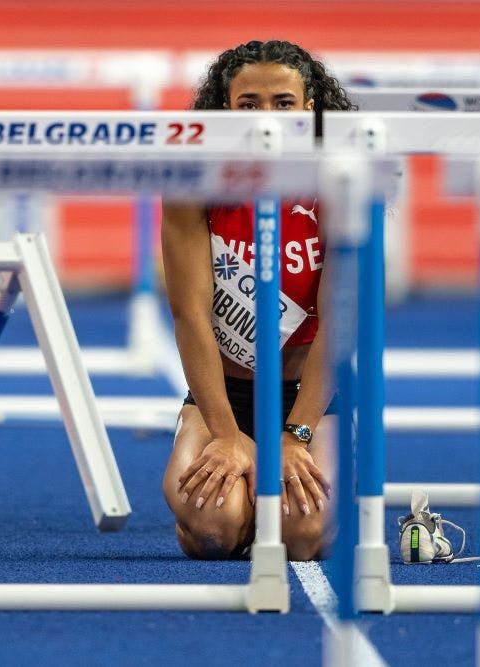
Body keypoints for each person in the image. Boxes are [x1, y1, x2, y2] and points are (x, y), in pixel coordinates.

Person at [161, 40, 356, 560]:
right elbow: (190, 315)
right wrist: (226, 434)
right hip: (221, 394)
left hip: (309, 398)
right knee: (212, 530)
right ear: (225, 110)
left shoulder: (340, 181)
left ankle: (303, 496)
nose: (265, 118)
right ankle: (235, 513)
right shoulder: (192, 182)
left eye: (283, 103)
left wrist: (297, 432)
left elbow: (340, 320)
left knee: (300, 536)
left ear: (309, 109)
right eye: (249, 104)